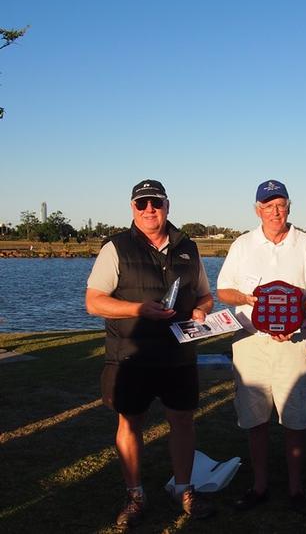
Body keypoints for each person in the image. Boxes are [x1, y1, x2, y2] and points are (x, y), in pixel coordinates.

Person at [85, 180, 215, 527]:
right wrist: (138, 310)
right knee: (130, 422)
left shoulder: (188, 247)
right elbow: (93, 301)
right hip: (131, 356)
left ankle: (184, 490)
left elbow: (205, 295)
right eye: (141, 204)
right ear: (132, 208)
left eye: (155, 203)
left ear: (167, 205)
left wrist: (201, 310)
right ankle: (135, 495)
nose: (149, 210)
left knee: (183, 421)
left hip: (178, 356)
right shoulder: (115, 247)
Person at [216, 179, 306, 515]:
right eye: (268, 206)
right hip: (251, 343)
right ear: (258, 210)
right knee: (255, 419)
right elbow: (224, 290)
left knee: (296, 418)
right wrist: (248, 298)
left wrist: (295, 320)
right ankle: (260, 486)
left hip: (293, 343)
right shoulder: (242, 245)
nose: (275, 211)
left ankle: (296, 490)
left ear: (289, 207)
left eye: (281, 205)